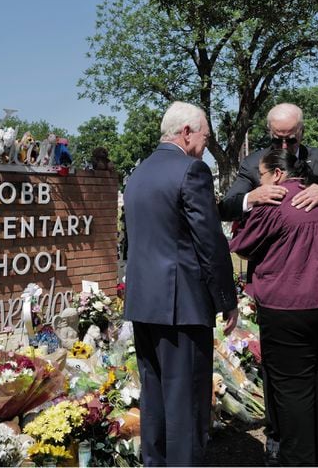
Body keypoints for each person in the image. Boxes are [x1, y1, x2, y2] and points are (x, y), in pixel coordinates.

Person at [218, 103, 318, 463]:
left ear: (301, 132)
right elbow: (228, 204)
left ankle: (301, 455)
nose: (283, 141)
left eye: (289, 137)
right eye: (276, 137)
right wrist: (253, 197)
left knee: (298, 384)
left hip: (289, 297)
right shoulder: (253, 165)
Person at [123, 101, 239, 466]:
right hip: (183, 307)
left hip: (145, 303)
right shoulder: (192, 170)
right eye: (205, 136)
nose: (206, 144)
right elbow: (210, 241)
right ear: (186, 132)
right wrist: (227, 298)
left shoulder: (137, 174)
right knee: (187, 406)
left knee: (154, 400)